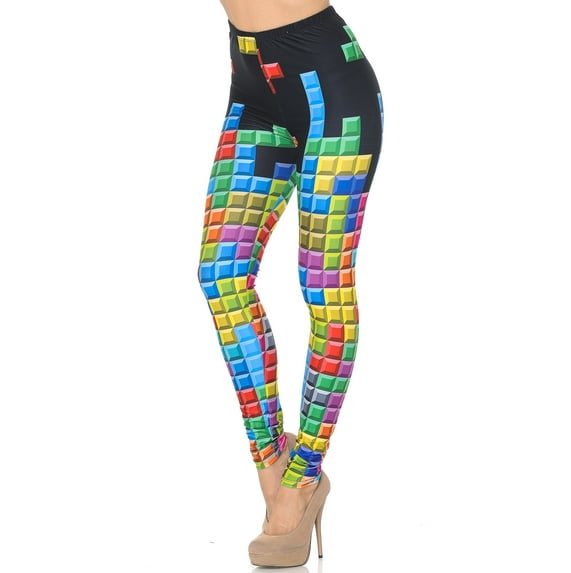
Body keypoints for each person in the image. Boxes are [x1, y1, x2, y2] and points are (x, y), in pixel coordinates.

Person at [198, 0, 384, 566]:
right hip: (253, 86)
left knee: (324, 284)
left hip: (332, 85)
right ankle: (272, 463)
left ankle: (303, 478)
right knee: (220, 275)